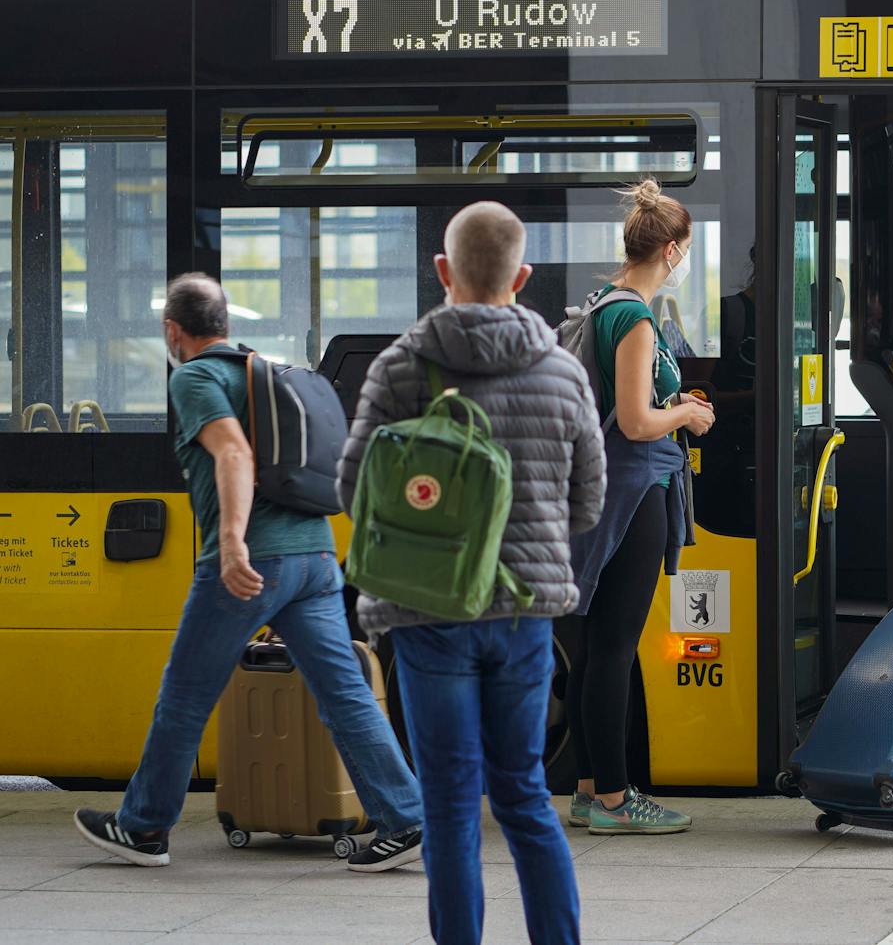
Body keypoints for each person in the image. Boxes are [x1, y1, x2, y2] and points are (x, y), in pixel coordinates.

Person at [74, 275, 423, 871]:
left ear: (173, 332)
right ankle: (406, 817)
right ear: (226, 325)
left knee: (185, 695)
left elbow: (232, 452)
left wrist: (232, 544)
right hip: (314, 556)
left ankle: (143, 827)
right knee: (344, 694)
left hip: (252, 562)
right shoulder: (264, 371)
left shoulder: (195, 376)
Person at [338, 202, 605, 944]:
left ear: (442, 271)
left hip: (427, 615)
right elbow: (588, 502)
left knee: (451, 805)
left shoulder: (401, 367)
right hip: (524, 618)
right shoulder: (562, 371)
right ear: (521, 276)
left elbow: (352, 489)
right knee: (522, 795)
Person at [565, 179, 713, 835]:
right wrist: (685, 412)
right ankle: (618, 803)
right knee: (614, 648)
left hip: (606, 493)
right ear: (674, 250)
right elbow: (634, 418)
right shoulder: (634, 318)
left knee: (597, 646)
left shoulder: (603, 304)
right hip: (630, 495)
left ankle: (591, 789)